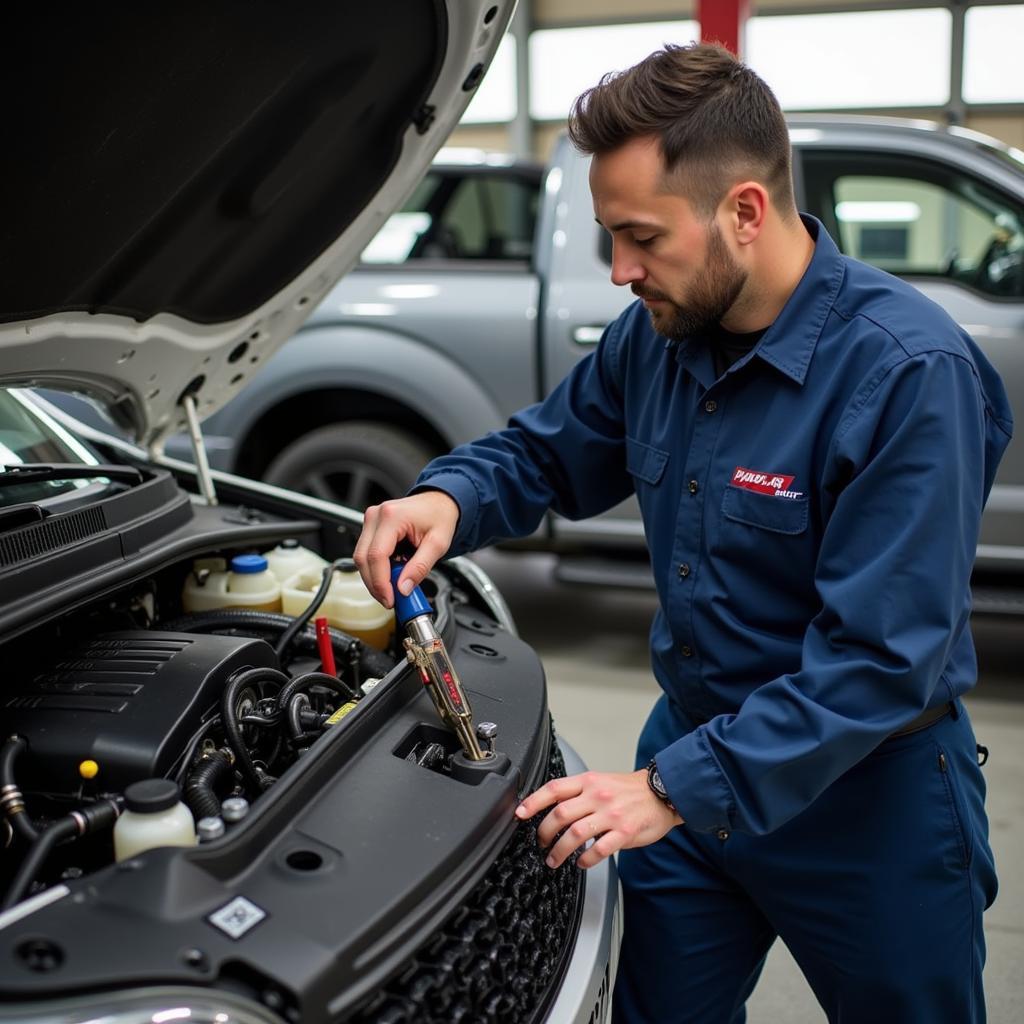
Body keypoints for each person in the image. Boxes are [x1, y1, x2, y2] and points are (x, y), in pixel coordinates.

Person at [354, 43, 1013, 1024]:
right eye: (609, 240)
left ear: (743, 211)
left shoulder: (907, 372)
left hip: (867, 803)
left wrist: (669, 786)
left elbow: (881, 657)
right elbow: (546, 452)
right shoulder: (656, 337)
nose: (620, 272)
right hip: (690, 769)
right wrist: (450, 497)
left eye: (641, 238)